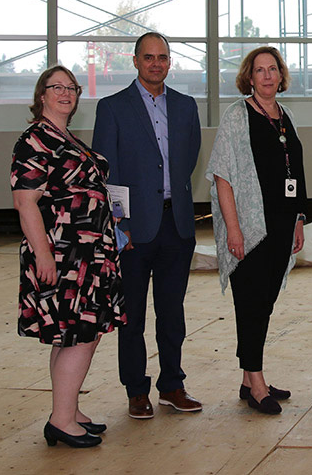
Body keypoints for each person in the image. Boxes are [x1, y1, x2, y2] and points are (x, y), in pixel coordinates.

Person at [11, 65, 125, 448]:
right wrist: (43, 255)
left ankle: (68, 408)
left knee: (70, 335)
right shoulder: (36, 139)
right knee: (80, 335)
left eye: (71, 87)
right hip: (65, 256)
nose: (64, 93)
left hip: (89, 254)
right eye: (55, 87)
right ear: (40, 95)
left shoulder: (65, 138)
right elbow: (25, 202)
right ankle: (61, 420)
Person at [92, 32, 203, 420]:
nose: (156, 63)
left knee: (172, 313)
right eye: (149, 57)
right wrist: (119, 228)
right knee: (132, 315)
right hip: (134, 230)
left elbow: (188, 160)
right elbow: (107, 172)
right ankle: (136, 390)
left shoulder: (187, 107)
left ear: (170, 62)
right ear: (136, 61)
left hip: (177, 223)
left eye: (163, 57)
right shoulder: (112, 108)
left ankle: (172, 385)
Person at [206, 47, 307, 415]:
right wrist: (234, 230)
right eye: (259, 70)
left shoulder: (286, 116)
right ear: (249, 77)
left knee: (263, 303)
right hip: (249, 227)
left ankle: (249, 380)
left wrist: (298, 217)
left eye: (273, 69)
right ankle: (257, 381)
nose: (267, 76)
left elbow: (295, 169)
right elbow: (222, 175)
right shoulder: (237, 116)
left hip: (281, 224)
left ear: (281, 75)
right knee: (250, 303)